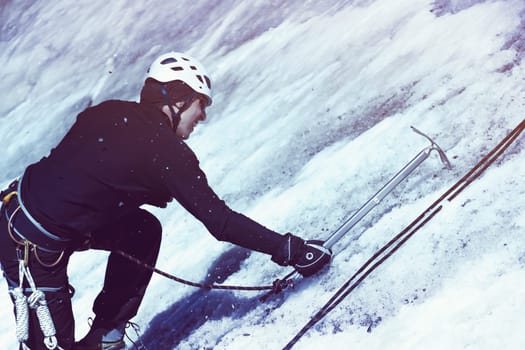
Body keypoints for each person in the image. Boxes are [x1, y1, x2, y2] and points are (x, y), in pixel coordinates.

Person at [0, 52, 332, 350]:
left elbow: (74, 176)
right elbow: (220, 222)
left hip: (25, 214)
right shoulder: (166, 152)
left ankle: (105, 338)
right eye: (200, 103)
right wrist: (289, 249)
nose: (202, 116)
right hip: (29, 245)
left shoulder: (108, 112)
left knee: (141, 229)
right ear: (177, 100)